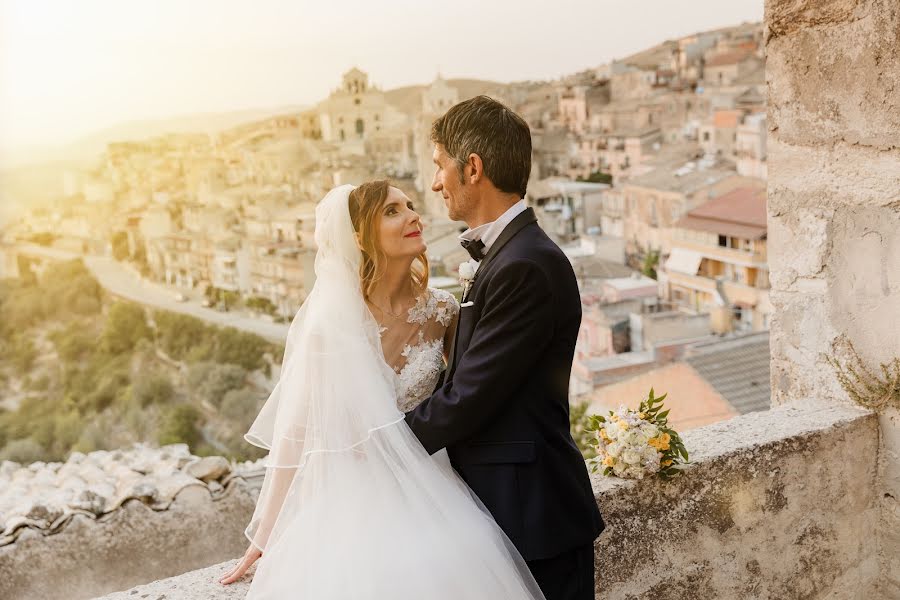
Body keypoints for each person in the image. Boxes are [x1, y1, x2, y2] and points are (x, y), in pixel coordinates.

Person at [220, 181, 546, 599]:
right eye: (392, 211)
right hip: (351, 505)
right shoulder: (333, 323)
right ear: (358, 236)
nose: (413, 215)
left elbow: (471, 393)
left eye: (410, 206)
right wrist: (265, 535)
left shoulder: (442, 311)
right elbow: (296, 434)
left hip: (434, 491)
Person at [405, 96, 605, 600]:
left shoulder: (524, 265)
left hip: (533, 518)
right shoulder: (514, 254)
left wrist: (380, 446)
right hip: (509, 513)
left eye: (439, 167)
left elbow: (471, 395)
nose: (434, 184)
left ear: (472, 168)